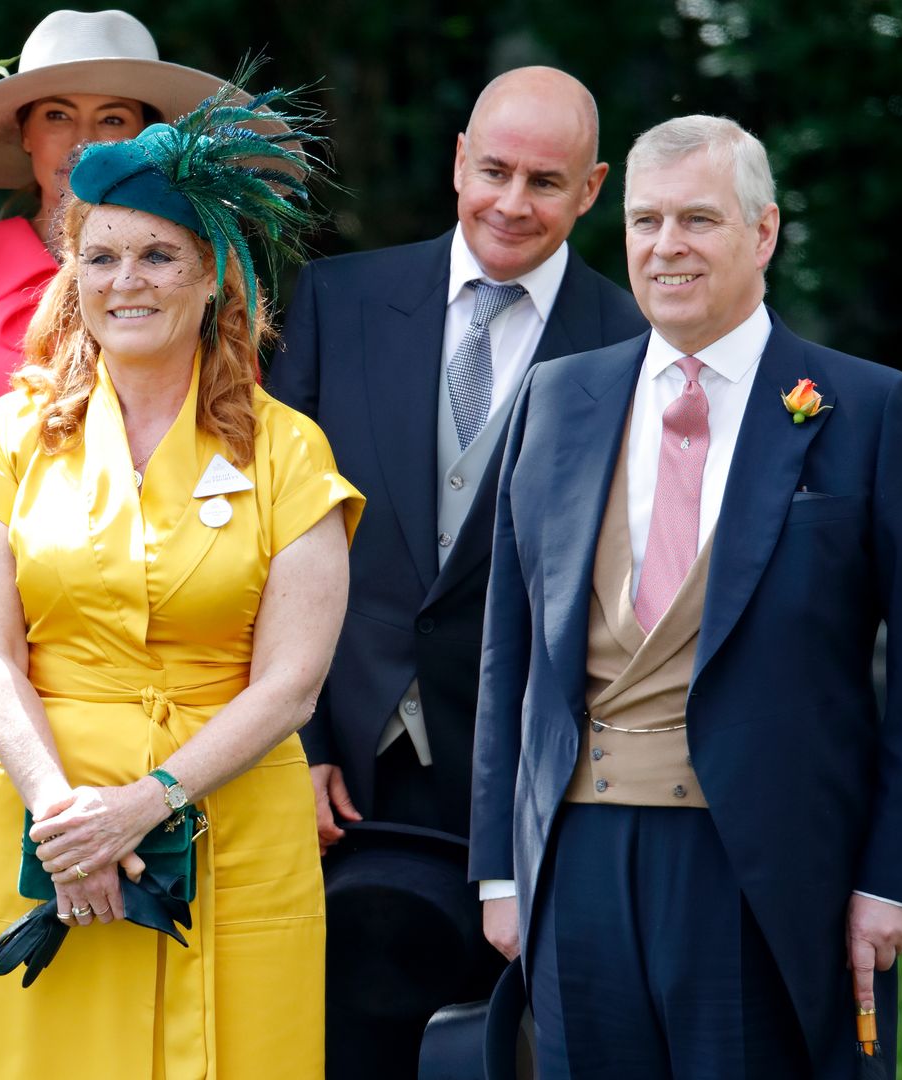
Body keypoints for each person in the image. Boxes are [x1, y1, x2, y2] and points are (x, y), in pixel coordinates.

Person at [469, 113, 902, 1079]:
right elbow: (509, 650)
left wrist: (899, 879)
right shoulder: (560, 397)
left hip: (773, 866)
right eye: (646, 222)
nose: (667, 248)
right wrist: (498, 867)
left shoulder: (867, 409)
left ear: (764, 233)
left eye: (698, 220)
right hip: (575, 858)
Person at [0, 79, 363, 1078]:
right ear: (74, 275)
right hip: (43, 818)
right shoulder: (14, 438)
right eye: (101, 257)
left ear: (213, 280)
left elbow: (291, 683)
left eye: (159, 254)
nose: (129, 281)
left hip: (228, 820)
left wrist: (148, 803)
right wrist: (65, 816)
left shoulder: (289, 453)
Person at [269, 67, 644, 1075]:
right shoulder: (334, 302)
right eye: (495, 172)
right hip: (332, 761)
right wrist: (292, 744)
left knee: (488, 1052)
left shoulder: (634, 344)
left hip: (522, 781)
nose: (513, 205)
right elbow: (266, 539)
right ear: (456, 163)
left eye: (548, 182)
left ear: (594, 189)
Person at [0, 12, 224, 1077]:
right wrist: (27, 555)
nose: (81, 140)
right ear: (23, 136)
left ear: (148, 137)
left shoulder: (197, 271)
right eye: (58, 117)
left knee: (132, 876)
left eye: (111, 116)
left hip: (156, 634)